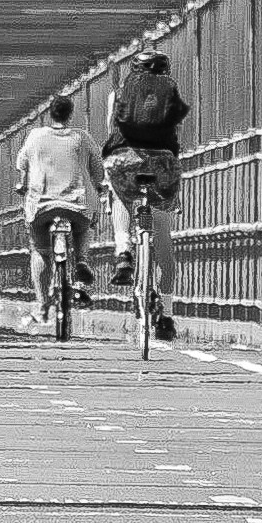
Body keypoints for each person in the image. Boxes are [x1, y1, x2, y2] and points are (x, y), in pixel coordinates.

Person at [102, 52, 191, 341]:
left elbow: (110, 130)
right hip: (163, 163)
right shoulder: (170, 91)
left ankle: (124, 251)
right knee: (164, 238)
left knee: (119, 193)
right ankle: (166, 315)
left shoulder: (118, 93)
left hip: (124, 159)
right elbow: (176, 131)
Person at [15, 97, 103, 328]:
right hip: (78, 206)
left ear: (50, 114)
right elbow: (98, 170)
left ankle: (43, 305)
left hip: (41, 207)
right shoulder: (82, 137)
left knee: (41, 251)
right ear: (70, 114)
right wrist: (99, 184)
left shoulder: (35, 136)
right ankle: (82, 261)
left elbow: (22, 166)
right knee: (86, 227)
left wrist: (22, 184)